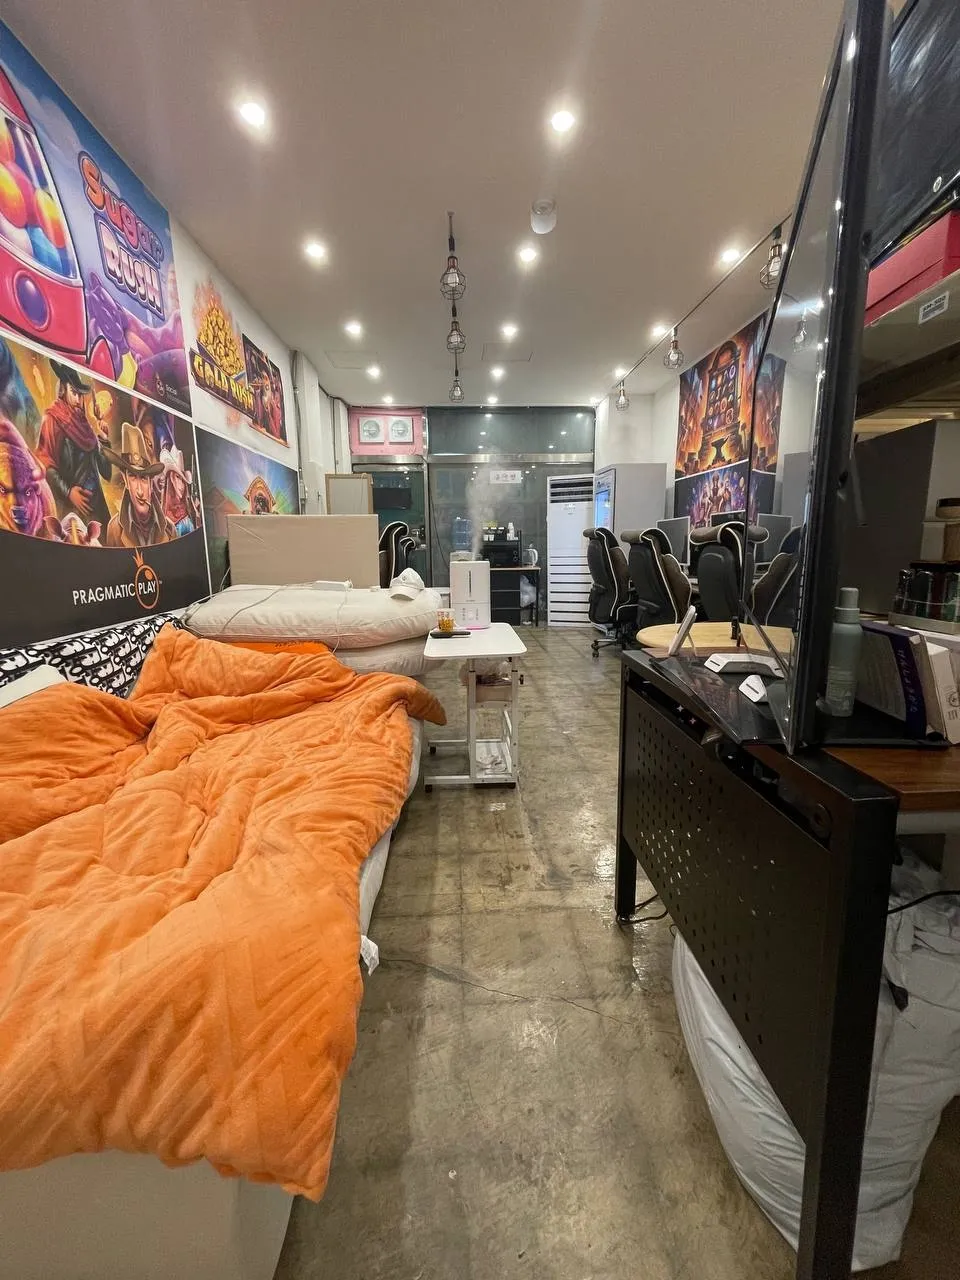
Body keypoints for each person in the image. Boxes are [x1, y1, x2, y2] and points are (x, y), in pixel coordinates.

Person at [34, 360, 112, 527]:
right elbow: (44, 464)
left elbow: (107, 473)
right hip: (71, 513)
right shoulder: (52, 420)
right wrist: (68, 492)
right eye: (73, 393)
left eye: (80, 394)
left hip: (98, 512)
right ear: (63, 390)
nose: (78, 399)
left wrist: (103, 439)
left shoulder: (86, 426)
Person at [104, 421, 175, 548]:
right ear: (125, 480)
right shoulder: (114, 530)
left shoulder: (169, 529)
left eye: (143, 478)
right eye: (132, 477)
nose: (140, 491)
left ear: (151, 483)